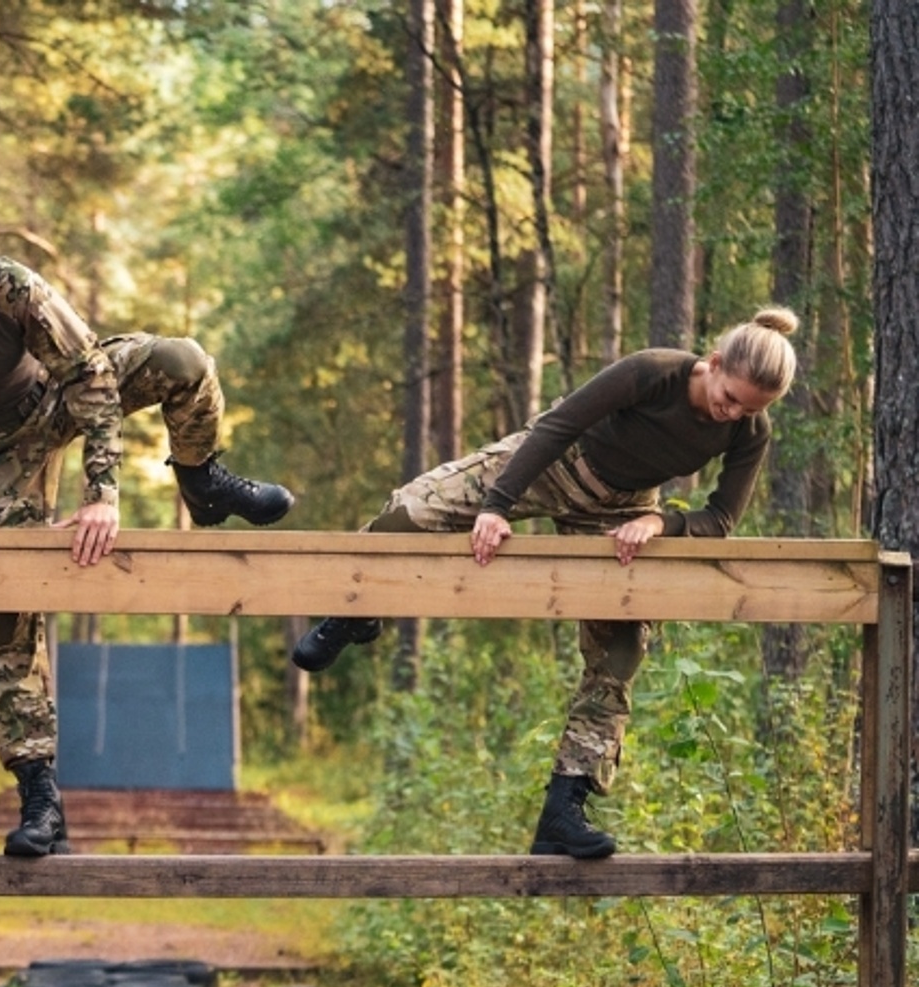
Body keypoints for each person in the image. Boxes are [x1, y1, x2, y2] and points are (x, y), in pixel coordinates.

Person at [0, 212, 294, 857]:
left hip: (58, 394)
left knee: (183, 359)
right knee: (6, 612)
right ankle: (41, 798)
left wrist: (102, 496)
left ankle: (201, 480)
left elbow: (90, 374)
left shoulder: (10, 288)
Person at [292, 308, 799, 860]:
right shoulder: (654, 372)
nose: (733, 414)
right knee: (408, 513)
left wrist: (661, 522)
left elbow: (722, 518)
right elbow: (559, 424)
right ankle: (356, 612)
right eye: (730, 398)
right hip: (555, 461)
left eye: (749, 409)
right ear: (714, 363)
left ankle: (564, 808)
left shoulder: (751, 428)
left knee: (623, 647)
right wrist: (495, 506)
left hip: (625, 507)